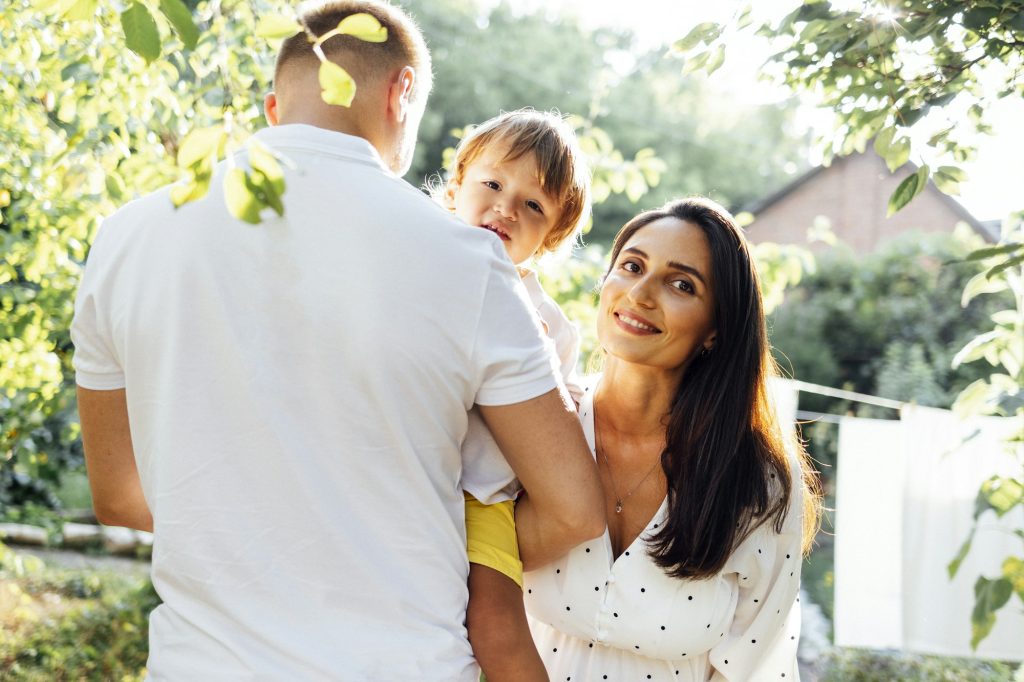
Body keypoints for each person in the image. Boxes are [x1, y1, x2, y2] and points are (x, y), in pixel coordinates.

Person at [70, 1, 604, 679]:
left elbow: (118, 495)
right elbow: (575, 508)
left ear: (273, 106)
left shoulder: (124, 238)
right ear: (402, 92)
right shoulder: (469, 263)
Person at [523, 198, 821, 681]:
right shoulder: (533, 425)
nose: (640, 293)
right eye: (632, 266)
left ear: (715, 330)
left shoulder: (758, 484)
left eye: (682, 284)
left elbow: (754, 664)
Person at [439, 109, 591, 680]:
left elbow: (549, 417)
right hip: (404, 469)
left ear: (550, 237)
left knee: (497, 626)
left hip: (483, 495)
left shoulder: (548, 323)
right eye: (494, 184)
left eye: (533, 206)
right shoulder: (420, 259)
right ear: (457, 187)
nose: (506, 208)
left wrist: (564, 393)